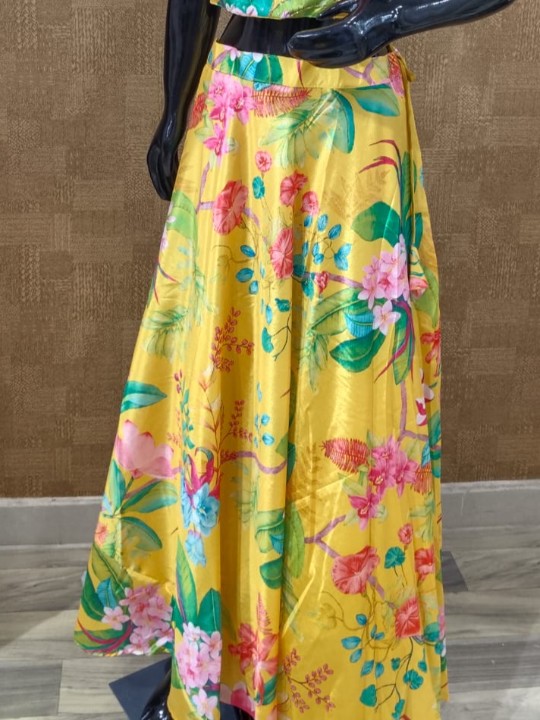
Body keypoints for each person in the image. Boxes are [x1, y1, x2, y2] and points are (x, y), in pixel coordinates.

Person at [72, 1, 517, 719]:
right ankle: (221, 653)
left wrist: (384, 22)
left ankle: (335, 669)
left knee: (350, 382)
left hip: (351, 118)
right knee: (219, 360)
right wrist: (172, 111)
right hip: (235, 107)